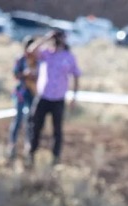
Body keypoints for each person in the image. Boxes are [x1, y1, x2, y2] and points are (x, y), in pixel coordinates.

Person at [25, 29, 81, 166]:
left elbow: (76, 75)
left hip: (58, 99)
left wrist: (74, 96)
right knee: (36, 127)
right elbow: (30, 52)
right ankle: (31, 154)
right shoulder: (45, 53)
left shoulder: (69, 57)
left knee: (57, 130)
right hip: (43, 97)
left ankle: (55, 159)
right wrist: (45, 38)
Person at [7, 37, 37, 160]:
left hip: (33, 93)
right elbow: (15, 74)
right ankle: (12, 145)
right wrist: (24, 74)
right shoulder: (20, 59)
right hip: (21, 93)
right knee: (18, 119)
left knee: (30, 120)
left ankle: (27, 146)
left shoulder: (38, 60)